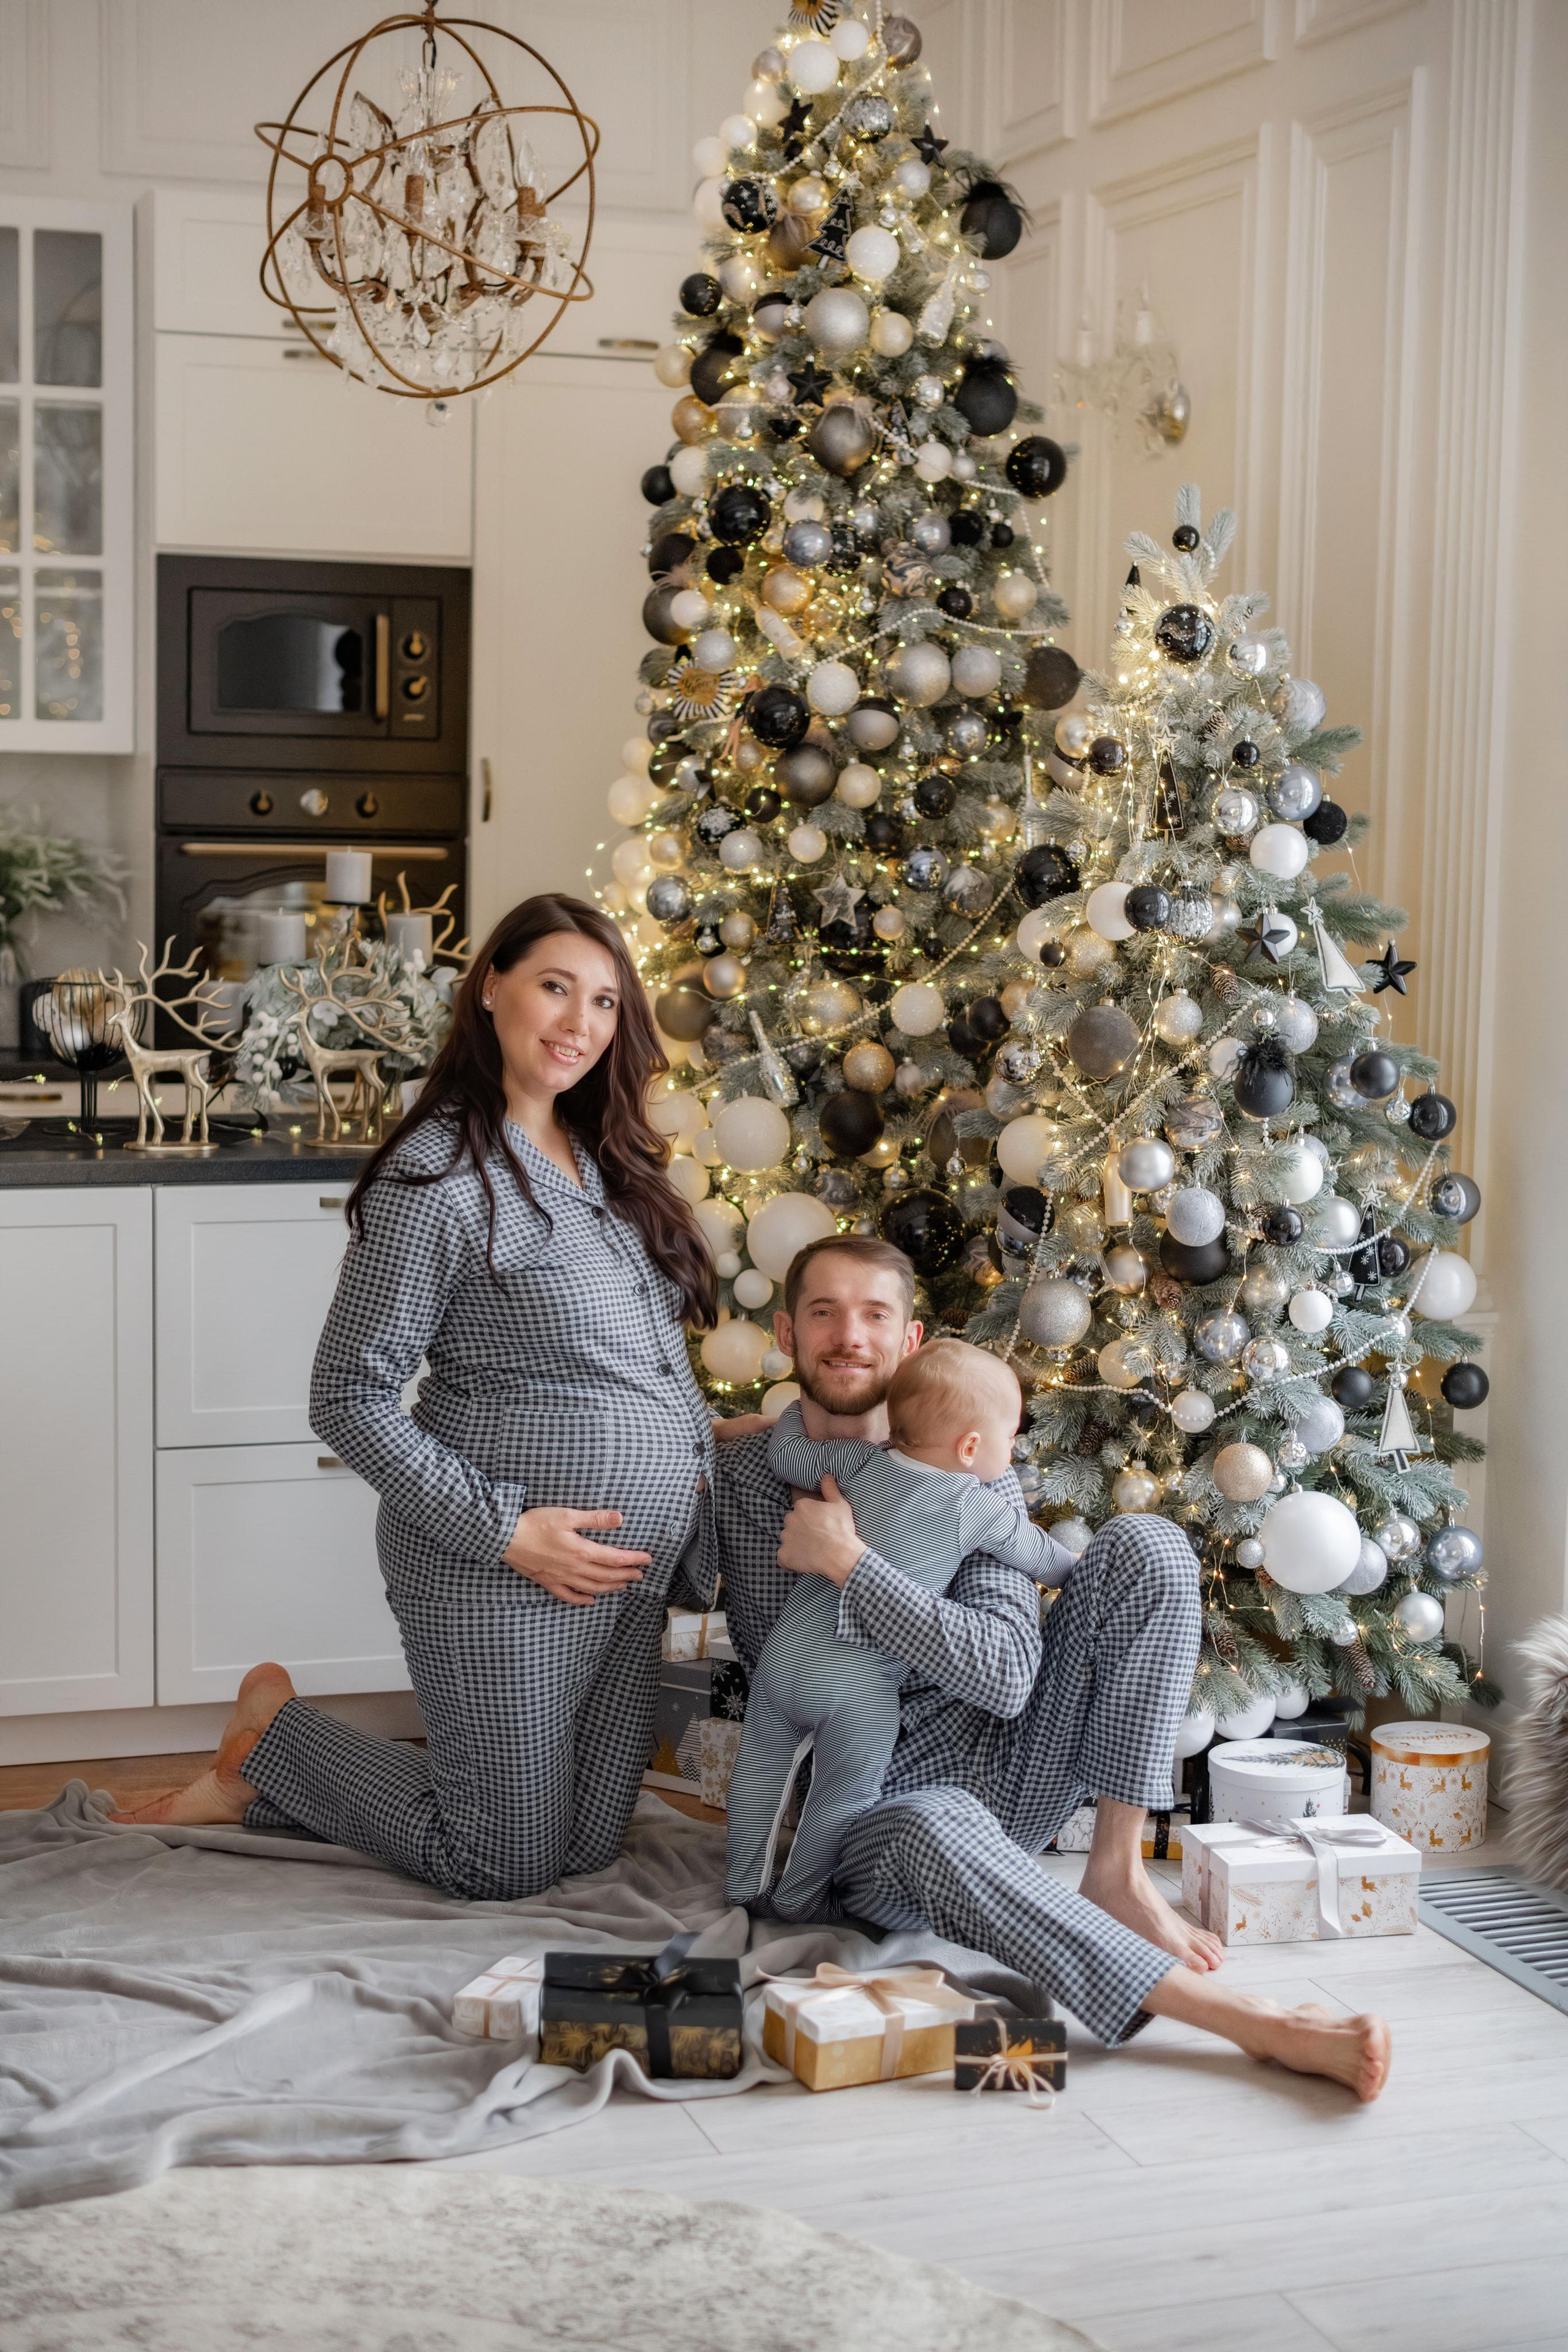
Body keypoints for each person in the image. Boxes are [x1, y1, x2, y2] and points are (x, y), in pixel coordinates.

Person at [112, 894, 722, 1901]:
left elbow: (652, 1369)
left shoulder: (613, 1170)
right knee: (505, 1861)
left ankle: (265, 1776)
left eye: (606, 1002)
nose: (580, 1022)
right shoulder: (437, 1175)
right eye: (555, 988)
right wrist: (508, 1532)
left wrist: (705, 1452)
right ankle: (277, 1744)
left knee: (586, 1849)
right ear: (491, 989)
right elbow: (347, 1395)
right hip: (502, 1568)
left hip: (632, 1572)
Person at [714, 1234, 1391, 2103]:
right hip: (874, 1816)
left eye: (874, 1314)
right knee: (935, 1825)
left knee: (1151, 1544)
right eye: (824, 1313)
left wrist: (853, 1564)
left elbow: (1004, 1675)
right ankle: (1248, 2022)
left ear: (909, 1341)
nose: (850, 1335)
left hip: (1009, 1769)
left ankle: (1117, 1870)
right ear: (787, 1333)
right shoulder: (747, 1474)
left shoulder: (971, 1469)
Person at [726, 1340, 1076, 1919]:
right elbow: (1043, 1556)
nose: (1010, 1452)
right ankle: (798, 1898)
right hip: (858, 1693)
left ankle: (741, 1887)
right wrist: (1081, 1574)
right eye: (1008, 1439)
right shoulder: (974, 1504)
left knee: (758, 1778)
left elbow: (788, 1455)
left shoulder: (856, 1462)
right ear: (970, 1448)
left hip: (784, 1663)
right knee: (840, 1798)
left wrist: (786, 1414)